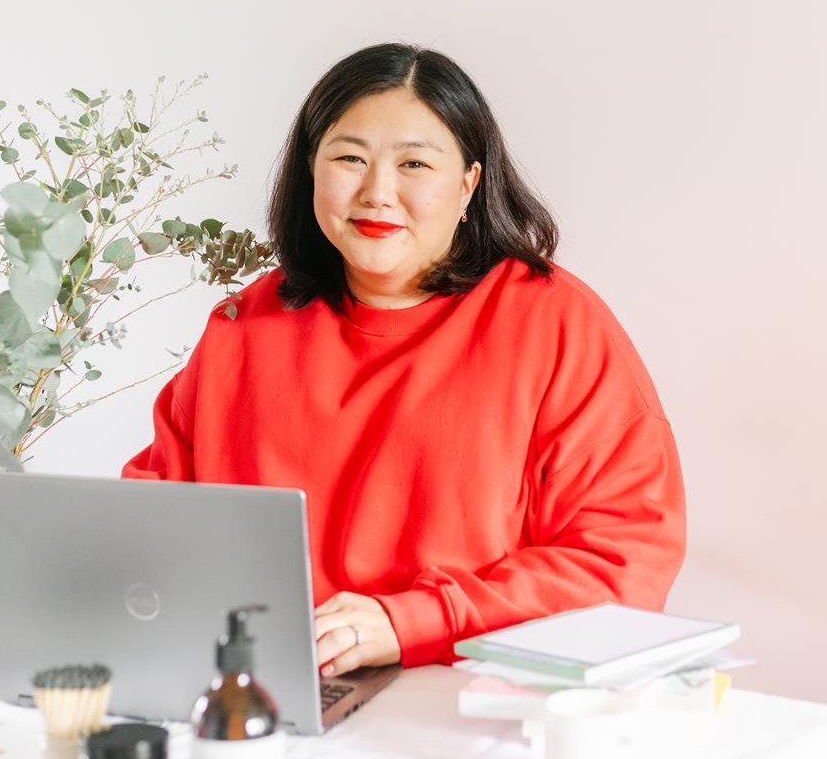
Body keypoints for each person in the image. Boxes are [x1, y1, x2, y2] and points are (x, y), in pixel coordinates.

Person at [123, 42, 685, 680]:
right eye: (348, 158)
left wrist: (410, 621)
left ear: (469, 182)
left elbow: (622, 562)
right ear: (311, 167)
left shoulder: (556, 323)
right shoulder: (246, 323)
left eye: (414, 163)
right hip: (265, 692)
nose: (377, 192)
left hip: (466, 699)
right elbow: (157, 520)